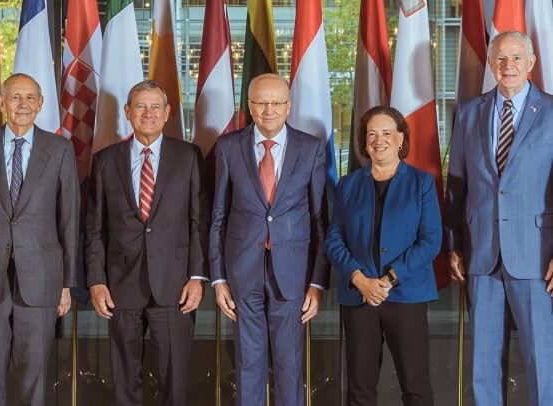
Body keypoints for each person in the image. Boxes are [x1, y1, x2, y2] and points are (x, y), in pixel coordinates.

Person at [0, 73, 79, 406]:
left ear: (40, 104)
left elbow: (69, 220)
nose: (22, 105)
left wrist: (66, 284)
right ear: (1, 102)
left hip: (41, 278)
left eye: (29, 98)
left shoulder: (61, 150)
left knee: (34, 377)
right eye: (14, 98)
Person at [85, 80, 209, 406]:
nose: (148, 113)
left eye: (156, 106)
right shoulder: (104, 161)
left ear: (168, 113)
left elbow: (199, 222)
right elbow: (94, 228)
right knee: (125, 378)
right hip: (120, 286)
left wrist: (197, 277)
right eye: (140, 106)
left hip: (176, 284)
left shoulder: (189, 156)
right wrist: (96, 281)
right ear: (128, 112)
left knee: (174, 379)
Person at [446, 30, 553, 406]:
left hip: (536, 256)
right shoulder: (469, 111)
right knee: (483, 365)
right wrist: (455, 245)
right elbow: (457, 184)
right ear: (490, 64)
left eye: (516, 59)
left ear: (531, 64)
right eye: (501, 59)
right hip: (481, 255)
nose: (508, 66)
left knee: (543, 360)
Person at [209, 73, 329, 406]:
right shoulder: (229, 147)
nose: (269, 110)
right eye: (261, 103)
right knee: (248, 364)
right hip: (242, 272)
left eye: (276, 103)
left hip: (292, 273)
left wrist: (317, 283)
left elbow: (321, 219)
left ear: (289, 106)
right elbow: (218, 215)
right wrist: (218, 278)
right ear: (249, 106)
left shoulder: (311, 147)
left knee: (289, 365)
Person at [326, 106, 441, 406]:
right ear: (364, 142)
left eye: (387, 133)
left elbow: (430, 241)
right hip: (359, 296)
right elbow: (335, 239)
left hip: (406, 295)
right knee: (359, 389)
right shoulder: (348, 184)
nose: (379, 140)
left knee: (415, 386)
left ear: (401, 138)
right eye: (371, 134)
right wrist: (359, 279)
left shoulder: (421, 182)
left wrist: (389, 279)